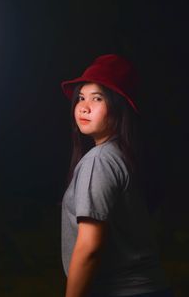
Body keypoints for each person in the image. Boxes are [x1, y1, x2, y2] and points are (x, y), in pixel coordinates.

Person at [61, 54, 173, 297]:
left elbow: (89, 246)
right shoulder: (124, 155)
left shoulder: (99, 160)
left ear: (120, 106)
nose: (83, 106)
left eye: (97, 98)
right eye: (81, 97)